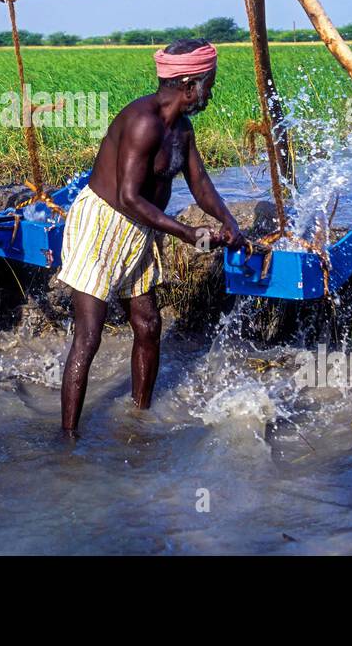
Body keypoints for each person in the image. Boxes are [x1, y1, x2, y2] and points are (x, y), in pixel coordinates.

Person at [57, 38, 246, 434]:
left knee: (148, 325)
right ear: (190, 84)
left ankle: (139, 418)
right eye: (209, 84)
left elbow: (200, 184)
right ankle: (68, 439)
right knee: (88, 337)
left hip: (142, 227)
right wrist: (188, 233)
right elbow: (127, 197)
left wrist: (228, 221)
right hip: (103, 225)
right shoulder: (144, 123)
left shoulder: (182, 128)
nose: (210, 93)